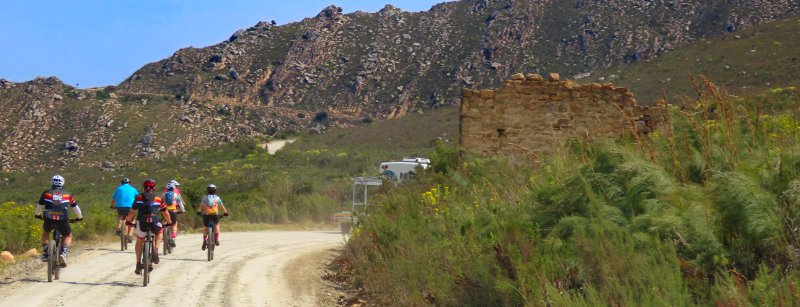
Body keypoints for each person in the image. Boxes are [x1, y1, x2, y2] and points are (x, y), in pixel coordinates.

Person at [125, 179, 172, 274]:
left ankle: (138, 263)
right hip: (154, 222)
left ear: (144, 188)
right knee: (159, 233)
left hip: (141, 223)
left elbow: (132, 211)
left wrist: (128, 221)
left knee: (139, 241)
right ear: (154, 188)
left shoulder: (138, 198)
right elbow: (165, 213)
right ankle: (156, 249)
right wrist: (169, 222)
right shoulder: (158, 199)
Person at [35, 175, 83, 267]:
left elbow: (39, 206)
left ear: (52, 182)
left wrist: (37, 215)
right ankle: (63, 253)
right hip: (62, 217)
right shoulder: (67, 194)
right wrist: (79, 217)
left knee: (46, 232)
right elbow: (75, 208)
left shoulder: (46, 193)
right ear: (63, 183)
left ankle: (45, 253)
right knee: (67, 235)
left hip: (48, 217)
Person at [197, 184, 228, 250]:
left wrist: (199, 211)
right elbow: (222, 206)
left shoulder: (205, 197)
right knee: (216, 225)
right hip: (215, 215)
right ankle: (216, 239)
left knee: (205, 228)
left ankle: (205, 240)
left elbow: (201, 206)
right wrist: (225, 212)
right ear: (215, 191)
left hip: (206, 215)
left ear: (208, 191)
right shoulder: (217, 198)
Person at [110, 177, 137, 243]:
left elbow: (114, 199)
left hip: (120, 207)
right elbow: (138, 197)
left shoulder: (118, 189)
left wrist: (113, 206)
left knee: (120, 216)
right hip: (131, 207)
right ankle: (130, 235)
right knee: (132, 219)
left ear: (121, 183)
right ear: (129, 183)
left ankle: (118, 228)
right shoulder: (133, 189)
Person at [161, 181, 186, 247]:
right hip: (173, 211)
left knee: (164, 221)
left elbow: (161, 202)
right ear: (174, 188)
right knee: (174, 224)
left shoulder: (164, 194)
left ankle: (162, 232)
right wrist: (183, 210)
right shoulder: (176, 195)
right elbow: (180, 204)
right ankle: (173, 237)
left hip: (165, 211)